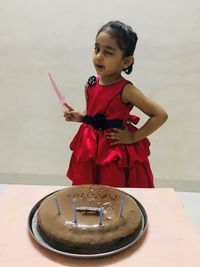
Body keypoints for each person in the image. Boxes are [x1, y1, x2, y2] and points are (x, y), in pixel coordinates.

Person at [64, 21, 168, 188]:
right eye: (97, 49)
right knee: (88, 189)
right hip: (90, 147)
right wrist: (81, 117)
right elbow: (93, 113)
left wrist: (134, 136)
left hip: (113, 150)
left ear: (126, 62)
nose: (99, 56)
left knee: (113, 189)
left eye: (108, 52)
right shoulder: (90, 84)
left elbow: (160, 115)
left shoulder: (126, 90)